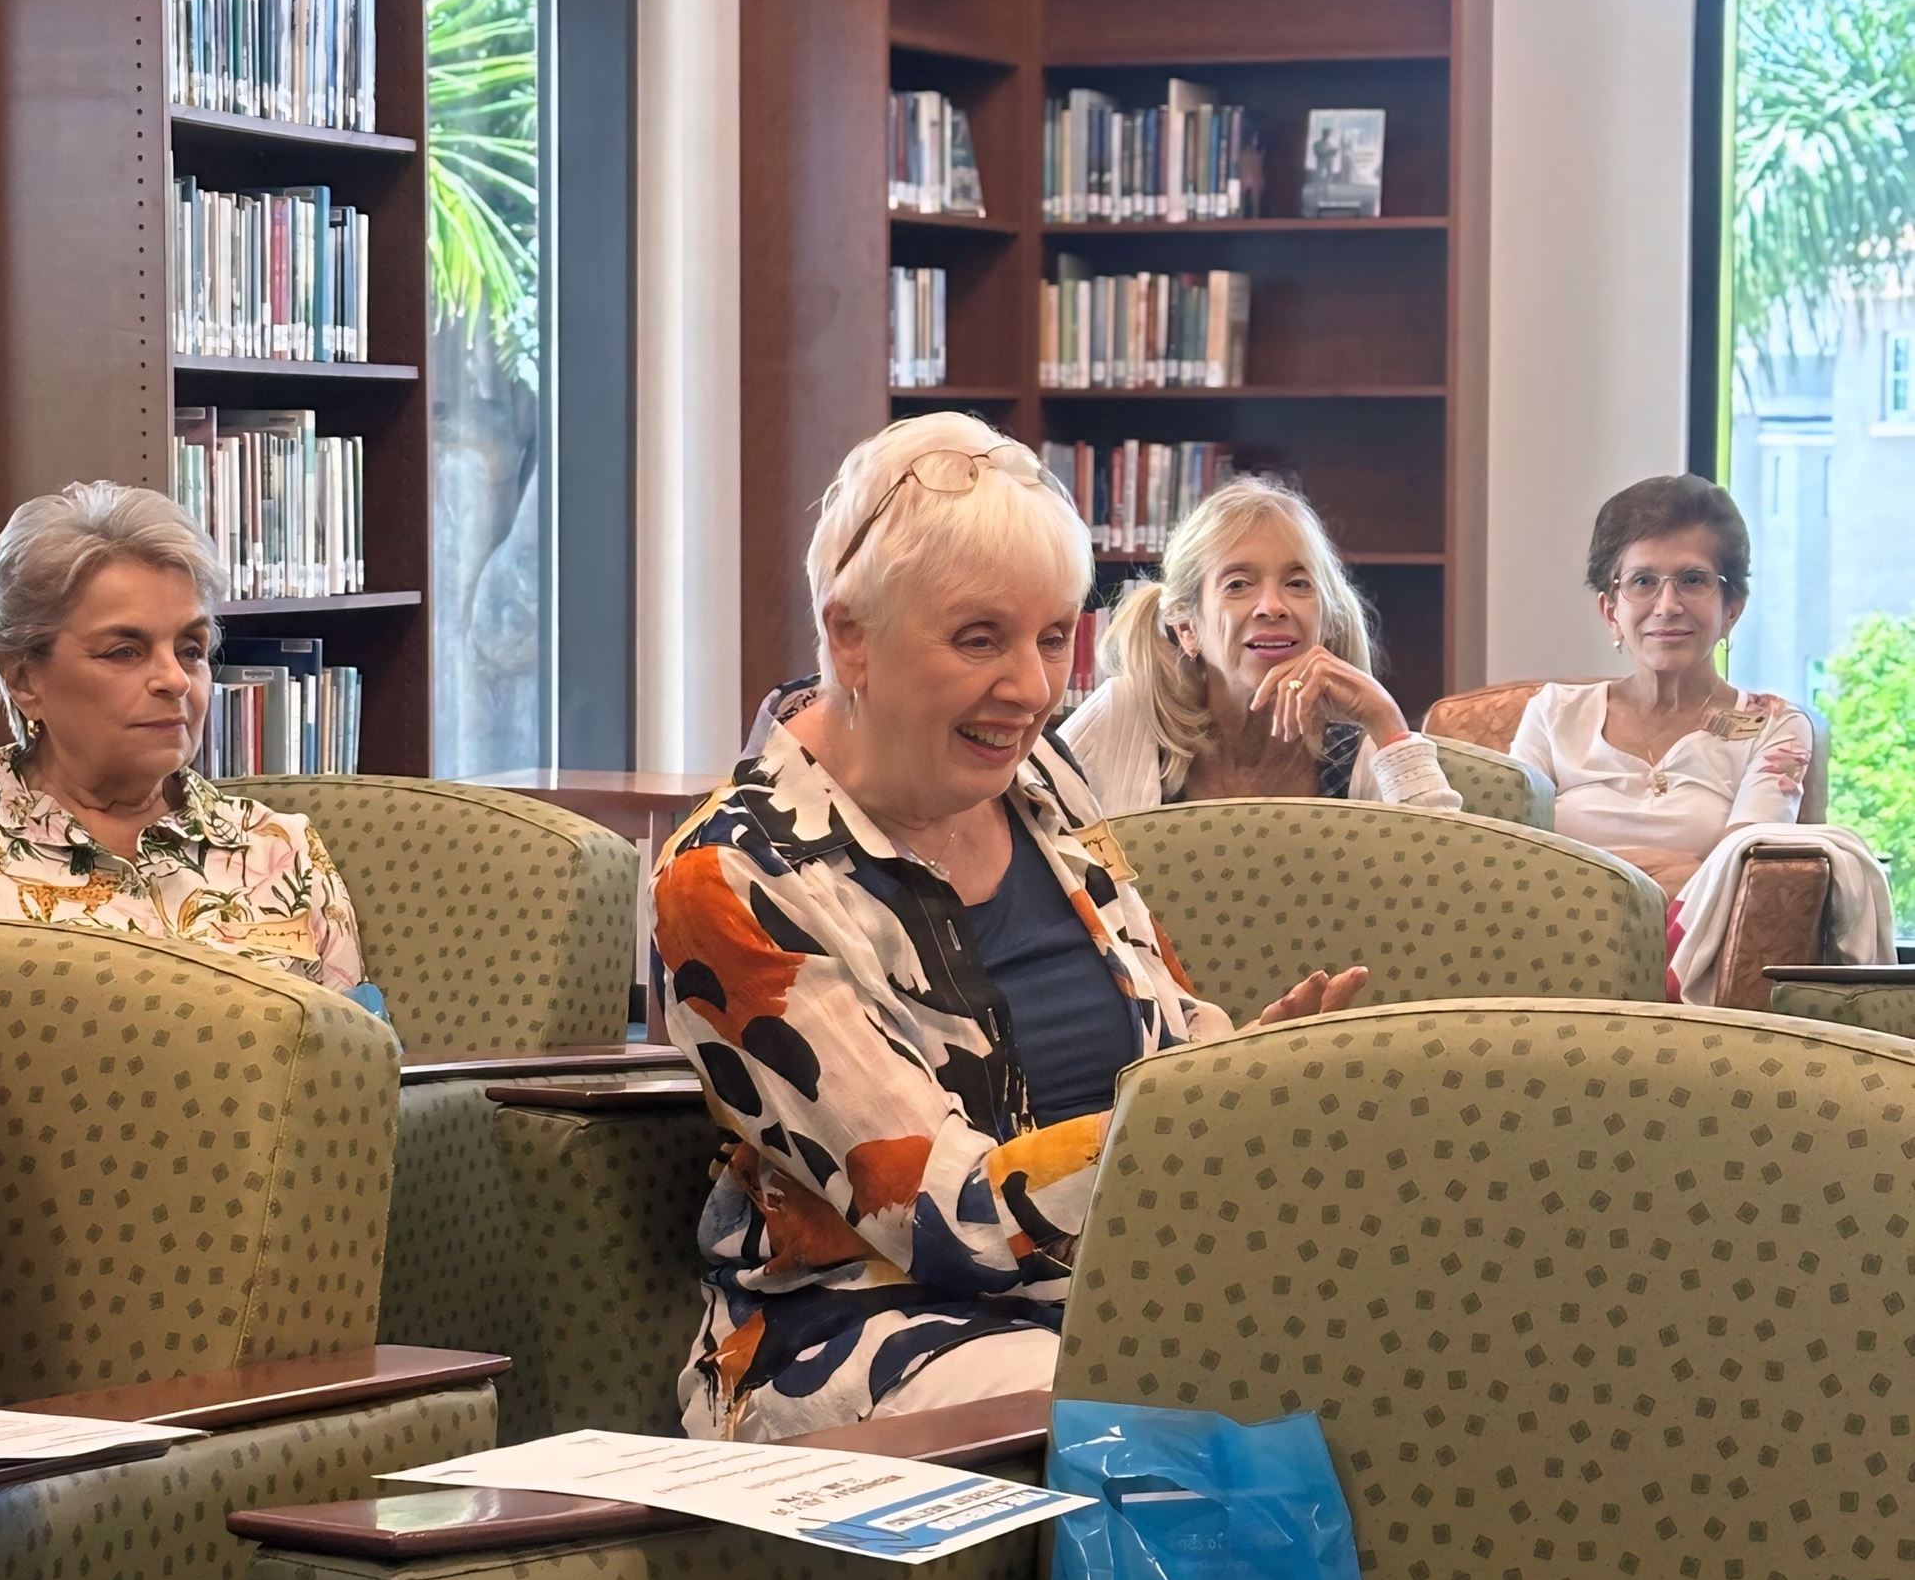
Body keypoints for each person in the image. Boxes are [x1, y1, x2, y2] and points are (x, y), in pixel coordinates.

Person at [650, 415, 1366, 1442]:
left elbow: (1170, 1034)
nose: (1031, 689)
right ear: (850, 632)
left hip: (1106, 1300)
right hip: (860, 1340)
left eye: (1049, 638)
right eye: (978, 638)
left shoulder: (1037, 782)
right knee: (1161, 1400)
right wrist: (1200, 1129)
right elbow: (943, 1212)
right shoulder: (728, 874)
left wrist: (1251, 1076)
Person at [0, 481, 369, 992]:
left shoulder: (279, 848)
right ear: (23, 679)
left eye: (191, 649)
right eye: (124, 652)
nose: (175, 680)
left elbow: (359, 1059)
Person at [1062, 471, 1460, 814]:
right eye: (1238, 585)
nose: (1273, 606)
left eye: (1298, 584)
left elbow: (1449, 888)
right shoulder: (1126, 714)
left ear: (1325, 620)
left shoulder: (1366, 741)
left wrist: (1389, 726)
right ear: (1187, 628)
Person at [1508, 474, 1813, 899]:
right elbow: (1511, 863)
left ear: (1732, 610)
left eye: (1692, 580)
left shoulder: (1772, 727)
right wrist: (1687, 873)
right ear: (1610, 610)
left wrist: (1585, 871)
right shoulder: (1553, 714)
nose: (1667, 607)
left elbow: (1747, 880)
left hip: (1701, 956)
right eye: (1642, 582)